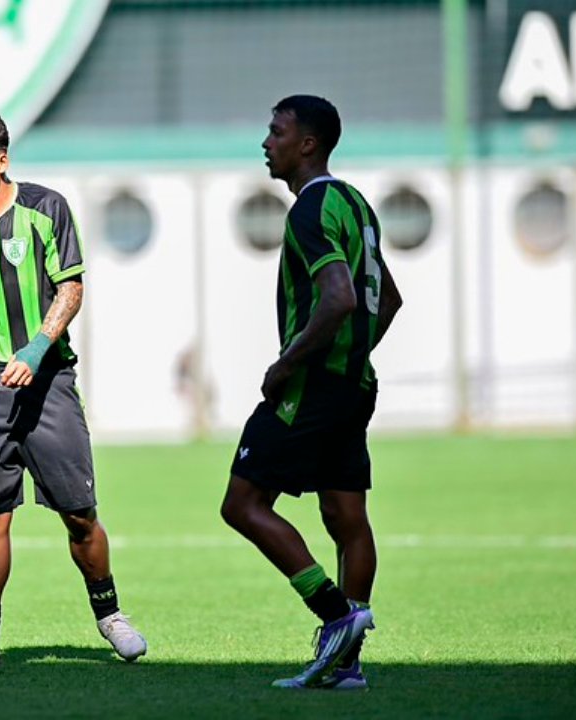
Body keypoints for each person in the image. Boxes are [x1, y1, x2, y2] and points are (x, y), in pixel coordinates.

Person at [0, 108, 147, 669]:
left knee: (78, 514)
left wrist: (38, 346)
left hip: (48, 384)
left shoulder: (46, 210)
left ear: (1, 161)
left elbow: (71, 289)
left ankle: (110, 614)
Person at [220, 95, 403, 690]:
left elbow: (339, 296)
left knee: (242, 504)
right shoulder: (357, 206)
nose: (265, 143)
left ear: (307, 144)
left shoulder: (309, 210)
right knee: (346, 516)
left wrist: (287, 363)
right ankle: (346, 667)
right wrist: (356, 354)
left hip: (312, 386)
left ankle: (337, 617)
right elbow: (389, 299)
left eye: (276, 132)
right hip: (354, 384)